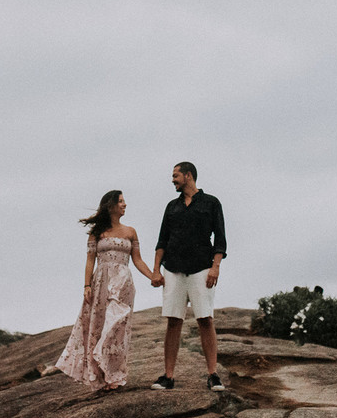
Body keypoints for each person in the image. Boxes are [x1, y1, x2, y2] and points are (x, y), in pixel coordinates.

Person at [55, 190, 155, 391]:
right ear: (110, 206)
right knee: (99, 326)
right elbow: (90, 260)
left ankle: (114, 373)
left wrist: (153, 276)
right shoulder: (97, 232)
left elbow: (137, 260)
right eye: (121, 201)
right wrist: (87, 286)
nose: (125, 204)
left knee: (117, 328)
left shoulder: (130, 231)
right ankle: (102, 375)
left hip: (123, 283)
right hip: (101, 282)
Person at [149, 161, 227, 391]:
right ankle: (168, 376)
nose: (172, 180)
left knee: (205, 319)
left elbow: (220, 239)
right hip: (173, 268)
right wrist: (156, 270)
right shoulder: (171, 206)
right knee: (173, 321)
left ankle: (213, 374)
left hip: (202, 268)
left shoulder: (211, 203)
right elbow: (162, 240)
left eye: (175, 175)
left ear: (188, 176)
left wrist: (216, 267)